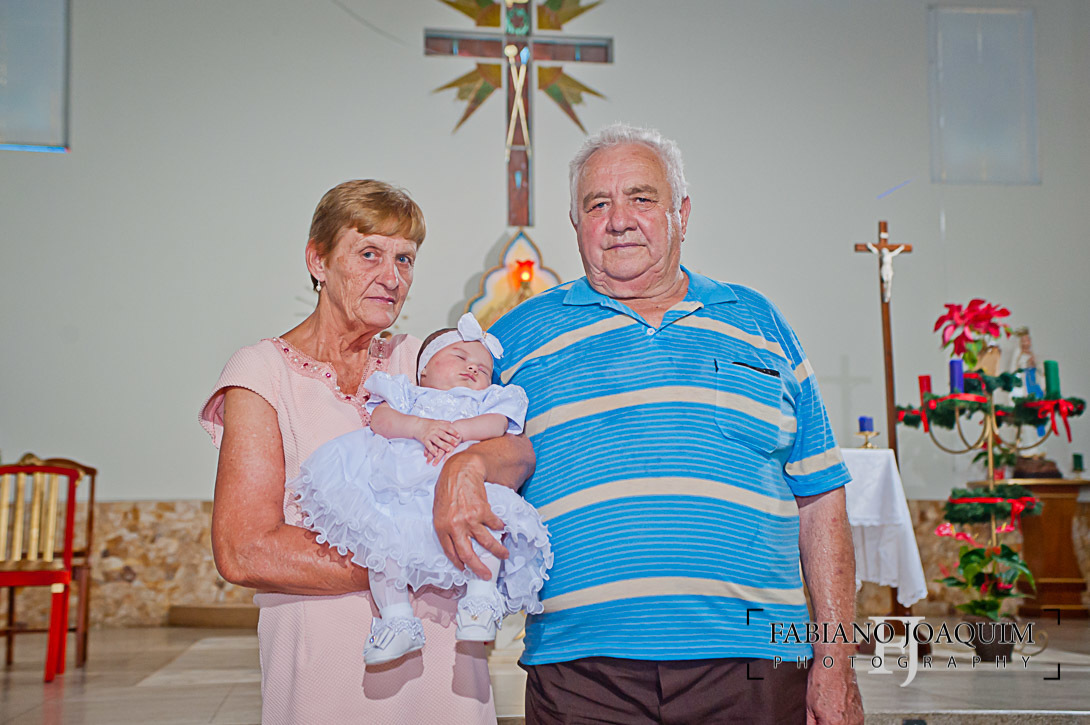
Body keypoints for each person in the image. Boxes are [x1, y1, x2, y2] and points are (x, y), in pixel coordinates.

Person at [434, 125, 864, 724]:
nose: (619, 221)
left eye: (641, 198)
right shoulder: (515, 340)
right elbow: (443, 437)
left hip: (753, 664)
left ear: (680, 213)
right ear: (575, 223)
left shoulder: (759, 322)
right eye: (597, 204)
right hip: (581, 672)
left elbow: (820, 499)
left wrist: (836, 662)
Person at [199, 180, 534, 724]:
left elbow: (514, 447)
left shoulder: (421, 360)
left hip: (446, 669)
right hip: (324, 667)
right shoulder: (262, 373)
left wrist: (470, 467)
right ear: (318, 260)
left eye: (405, 258)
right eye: (370, 254)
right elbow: (245, 551)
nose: (392, 277)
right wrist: (424, 554)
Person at [292, 313, 551, 666]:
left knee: (488, 525)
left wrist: (460, 430)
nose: (472, 368)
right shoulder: (409, 394)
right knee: (383, 546)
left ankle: (480, 600)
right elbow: (380, 420)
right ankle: (396, 619)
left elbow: (498, 424)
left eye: (483, 368)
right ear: (424, 370)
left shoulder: (488, 400)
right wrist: (418, 427)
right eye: (459, 356)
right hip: (402, 488)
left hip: (463, 490)